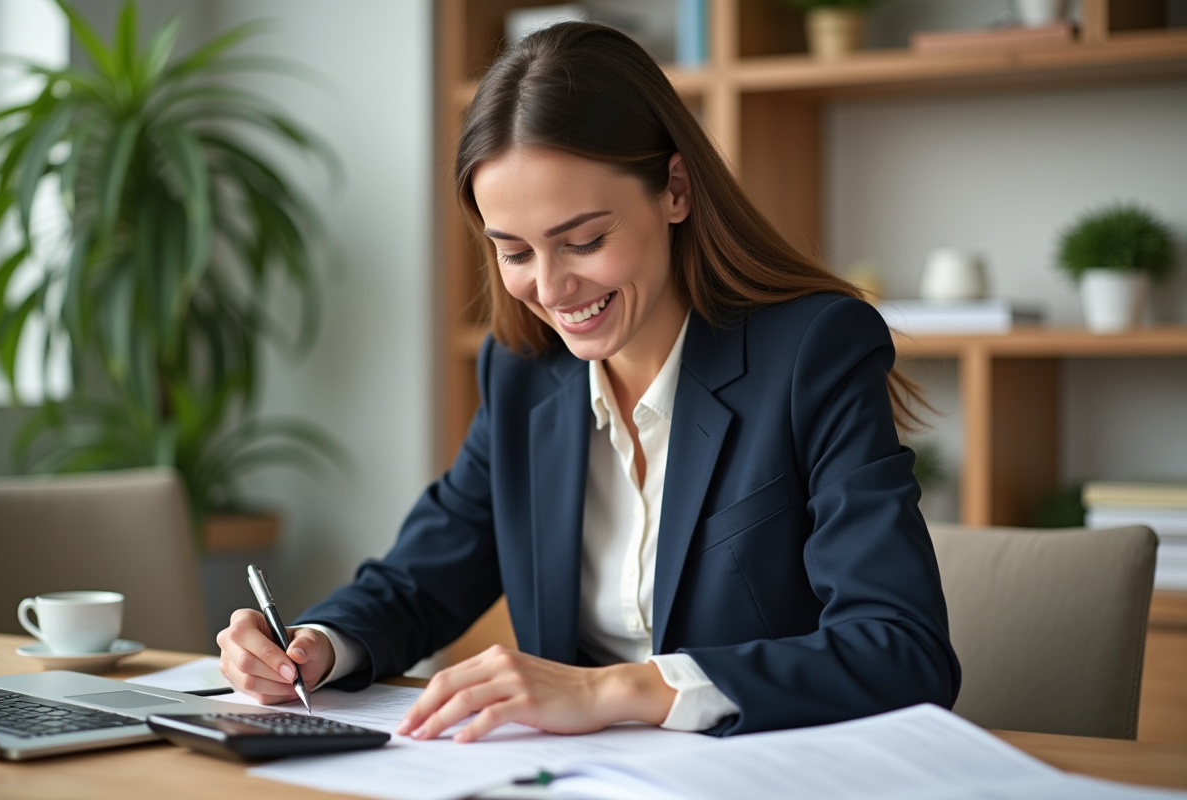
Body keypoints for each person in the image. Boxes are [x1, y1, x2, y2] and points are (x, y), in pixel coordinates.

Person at [217, 22, 960, 742]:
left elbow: (901, 650)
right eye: (513, 252)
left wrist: (611, 690)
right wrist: (314, 644)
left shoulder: (812, 352)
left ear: (674, 189)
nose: (551, 288)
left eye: (583, 241)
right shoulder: (523, 375)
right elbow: (419, 582)